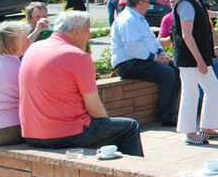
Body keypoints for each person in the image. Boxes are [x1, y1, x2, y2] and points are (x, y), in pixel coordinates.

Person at [20, 10, 143, 156]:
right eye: (88, 30)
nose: (90, 36)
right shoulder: (77, 55)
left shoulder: (34, 47)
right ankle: (131, 175)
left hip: (31, 134)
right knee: (129, 127)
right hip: (65, 134)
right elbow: (95, 109)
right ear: (76, 31)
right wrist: (106, 124)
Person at [170, 0, 218, 146]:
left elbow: (203, 13)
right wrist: (199, 60)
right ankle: (189, 132)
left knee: (213, 89)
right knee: (191, 93)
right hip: (190, 59)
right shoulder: (185, 2)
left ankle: (207, 128)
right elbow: (186, 34)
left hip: (199, 57)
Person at [112, 0, 180, 127]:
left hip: (142, 60)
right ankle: (168, 117)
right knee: (166, 73)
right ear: (139, 3)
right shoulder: (128, 20)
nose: (149, 5)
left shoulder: (139, 18)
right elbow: (133, 47)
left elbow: (152, 40)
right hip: (128, 64)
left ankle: (173, 112)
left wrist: (161, 53)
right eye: (147, 2)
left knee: (176, 67)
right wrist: (155, 58)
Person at [159, 0, 218, 112]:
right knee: (195, 90)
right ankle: (199, 121)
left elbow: (212, 32)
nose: (174, 5)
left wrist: (216, 49)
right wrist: (174, 36)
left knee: (217, 67)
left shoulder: (195, 11)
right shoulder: (168, 18)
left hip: (201, 53)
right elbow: (163, 41)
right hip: (187, 56)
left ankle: (215, 107)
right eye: (171, 2)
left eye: (175, 2)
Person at [0, 21, 30, 146]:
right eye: (25, 37)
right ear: (13, 41)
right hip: (4, 129)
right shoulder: (16, 67)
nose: (28, 41)